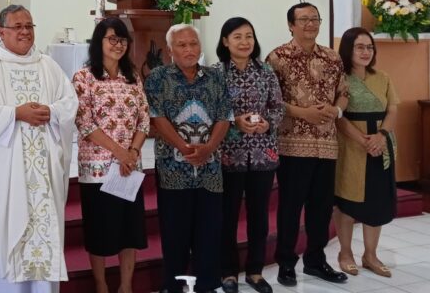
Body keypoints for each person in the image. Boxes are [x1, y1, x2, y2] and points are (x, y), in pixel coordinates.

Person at [0, 4, 79, 292]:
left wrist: (52, 112)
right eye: (17, 27)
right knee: (3, 234)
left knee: (43, 232)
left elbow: (70, 102)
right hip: (4, 171)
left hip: (44, 171)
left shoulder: (48, 66)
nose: (25, 32)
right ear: (1, 33)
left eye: (29, 26)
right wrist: (15, 113)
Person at [266, 3, 348, 287]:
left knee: (321, 208)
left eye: (315, 18)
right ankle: (286, 264)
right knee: (290, 207)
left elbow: (344, 92)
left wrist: (336, 110)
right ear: (291, 25)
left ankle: (315, 261)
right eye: (303, 19)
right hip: (292, 145)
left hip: (326, 143)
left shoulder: (332, 57)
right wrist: (304, 113)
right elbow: (271, 100)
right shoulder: (277, 57)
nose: (310, 23)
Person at [146, 24, 232, 293]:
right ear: (170, 50)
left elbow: (225, 116)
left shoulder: (215, 77)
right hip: (173, 168)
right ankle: (173, 286)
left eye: (193, 43)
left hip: (210, 168)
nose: (189, 49)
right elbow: (157, 117)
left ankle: (207, 284)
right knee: (175, 231)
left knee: (209, 230)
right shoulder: (158, 77)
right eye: (181, 45)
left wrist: (209, 148)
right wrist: (183, 147)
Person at [72, 18, 149, 293]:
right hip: (98, 169)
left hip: (129, 167)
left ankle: (126, 286)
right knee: (100, 230)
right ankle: (101, 285)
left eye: (122, 39)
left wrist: (132, 153)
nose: (118, 45)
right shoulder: (84, 78)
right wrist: (120, 154)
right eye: (112, 39)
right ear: (99, 42)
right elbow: (85, 123)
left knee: (130, 231)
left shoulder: (133, 77)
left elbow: (144, 120)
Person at [212, 18, 283, 293]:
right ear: (225, 41)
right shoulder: (215, 73)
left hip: (263, 154)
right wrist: (234, 122)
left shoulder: (266, 71)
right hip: (228, 155)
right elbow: (210, 110)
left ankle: (255, 271)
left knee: (259, 217)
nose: (245, 42)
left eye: (249, 36)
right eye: (237, 37)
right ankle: (228, 272)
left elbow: (277, 106)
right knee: (227, 216)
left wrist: (267, 123)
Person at [333, 28, 398, 279]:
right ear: (348, 49)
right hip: (351, 146)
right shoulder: (340, 78)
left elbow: (392, 109)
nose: (365, 52)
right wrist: (362, 140)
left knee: (377, 200)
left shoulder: (382, 77)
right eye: (359, 47)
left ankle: (370, 255)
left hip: (381, 144)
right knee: (347, 201)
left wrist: (381, 136)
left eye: (369, 47)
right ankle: (345, 253)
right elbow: (338, 117)